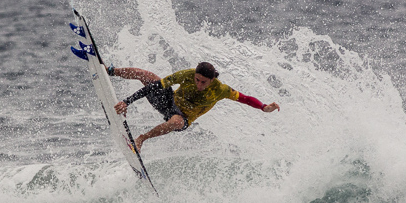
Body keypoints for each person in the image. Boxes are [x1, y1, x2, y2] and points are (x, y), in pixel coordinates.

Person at [111, 61, 280, 150]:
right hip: (168, 102)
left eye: (203, 82)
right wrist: (127, 101)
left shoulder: (220, 89)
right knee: (148, 76)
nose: (199, 85)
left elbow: (244, 98)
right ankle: (110, 70)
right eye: (197, 80)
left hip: (182, 117)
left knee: (176, 122)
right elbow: (156, 87)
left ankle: (141, 139)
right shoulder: (187, 74)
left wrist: (263, 107)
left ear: (212, 79)